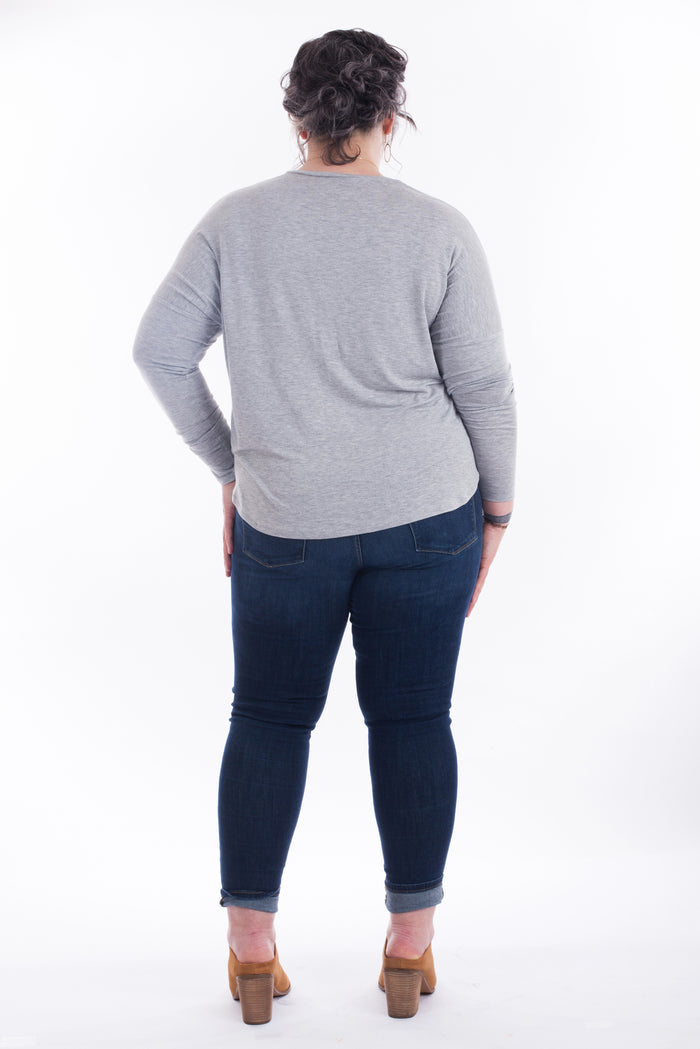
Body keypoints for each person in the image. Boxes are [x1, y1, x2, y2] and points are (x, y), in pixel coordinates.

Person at [132, 27, 517, 1025]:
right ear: (391, 118)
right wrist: (498, 506)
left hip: (285, 518)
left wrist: (234, 469)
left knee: (267, 718)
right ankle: (410, 946)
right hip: (427, 513)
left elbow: (159, 350)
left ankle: (252, 952)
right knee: (414, 720)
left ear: (295, 118)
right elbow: (482, 383)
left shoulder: (236, 222)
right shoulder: (438, 228)